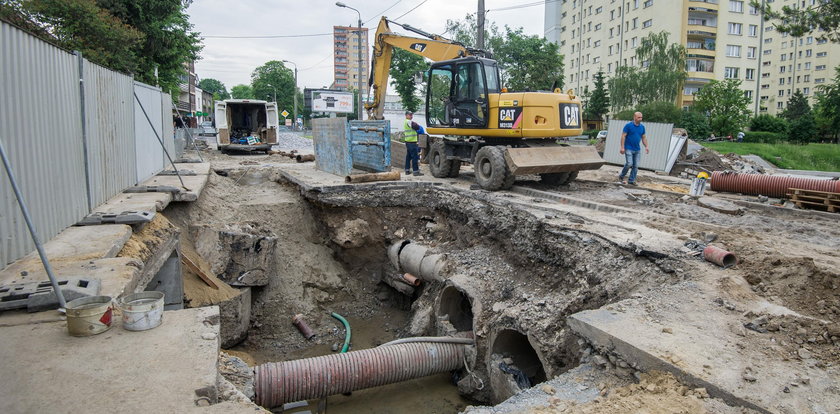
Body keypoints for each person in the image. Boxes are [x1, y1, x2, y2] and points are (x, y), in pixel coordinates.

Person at [618, 111, 649, 186]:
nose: (640, 119)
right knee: (629, 163)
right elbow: (623, 136)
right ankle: (621, 176)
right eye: (639, 117)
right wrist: (622, 147)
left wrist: (646, 146)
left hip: (637, 149)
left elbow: (644, 137)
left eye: (641, 117)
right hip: (628, 148)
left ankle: (631, 180)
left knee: (636, 165)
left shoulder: (642, 127)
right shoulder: (628, 126)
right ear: (634, 117)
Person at [403, 111, 423, 176]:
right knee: (415, 157)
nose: (411, 116)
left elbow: (416, 126)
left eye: (412, 115)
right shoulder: (408, 121)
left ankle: (407, 170)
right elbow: (417, 127)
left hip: (408, 142)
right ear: (406, 115)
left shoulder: (406, 122)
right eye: (410, 115)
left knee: (408, 156)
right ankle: (415, 171)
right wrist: (416, 124)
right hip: (411, 142)